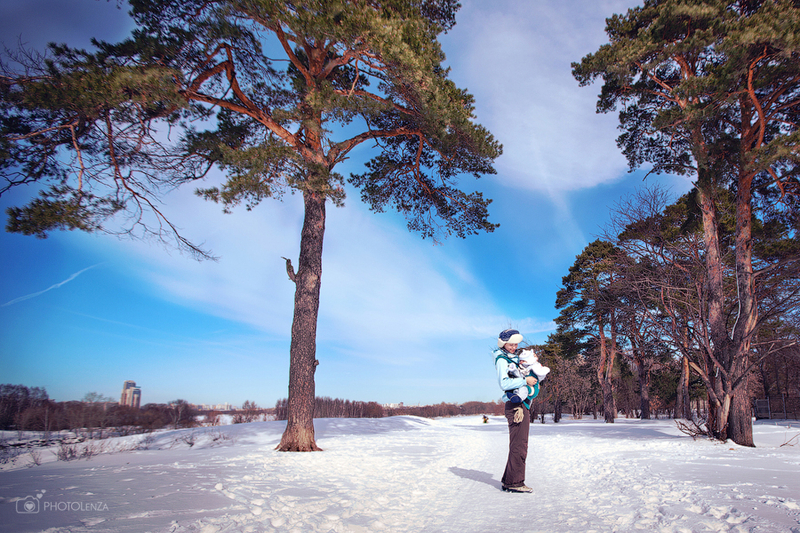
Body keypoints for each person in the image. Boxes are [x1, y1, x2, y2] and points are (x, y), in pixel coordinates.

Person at [494, 328, 539, 493]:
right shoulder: (502, 360)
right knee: (519, 445)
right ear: (503, 344)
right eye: (511, 344)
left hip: (521, 404)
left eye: (516, 344)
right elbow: (504, 383)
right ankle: (514, 483)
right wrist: (524, 380)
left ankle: (509, 480)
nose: (514, 347)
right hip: (515, 406)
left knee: (518, 443)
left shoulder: (512, 358)